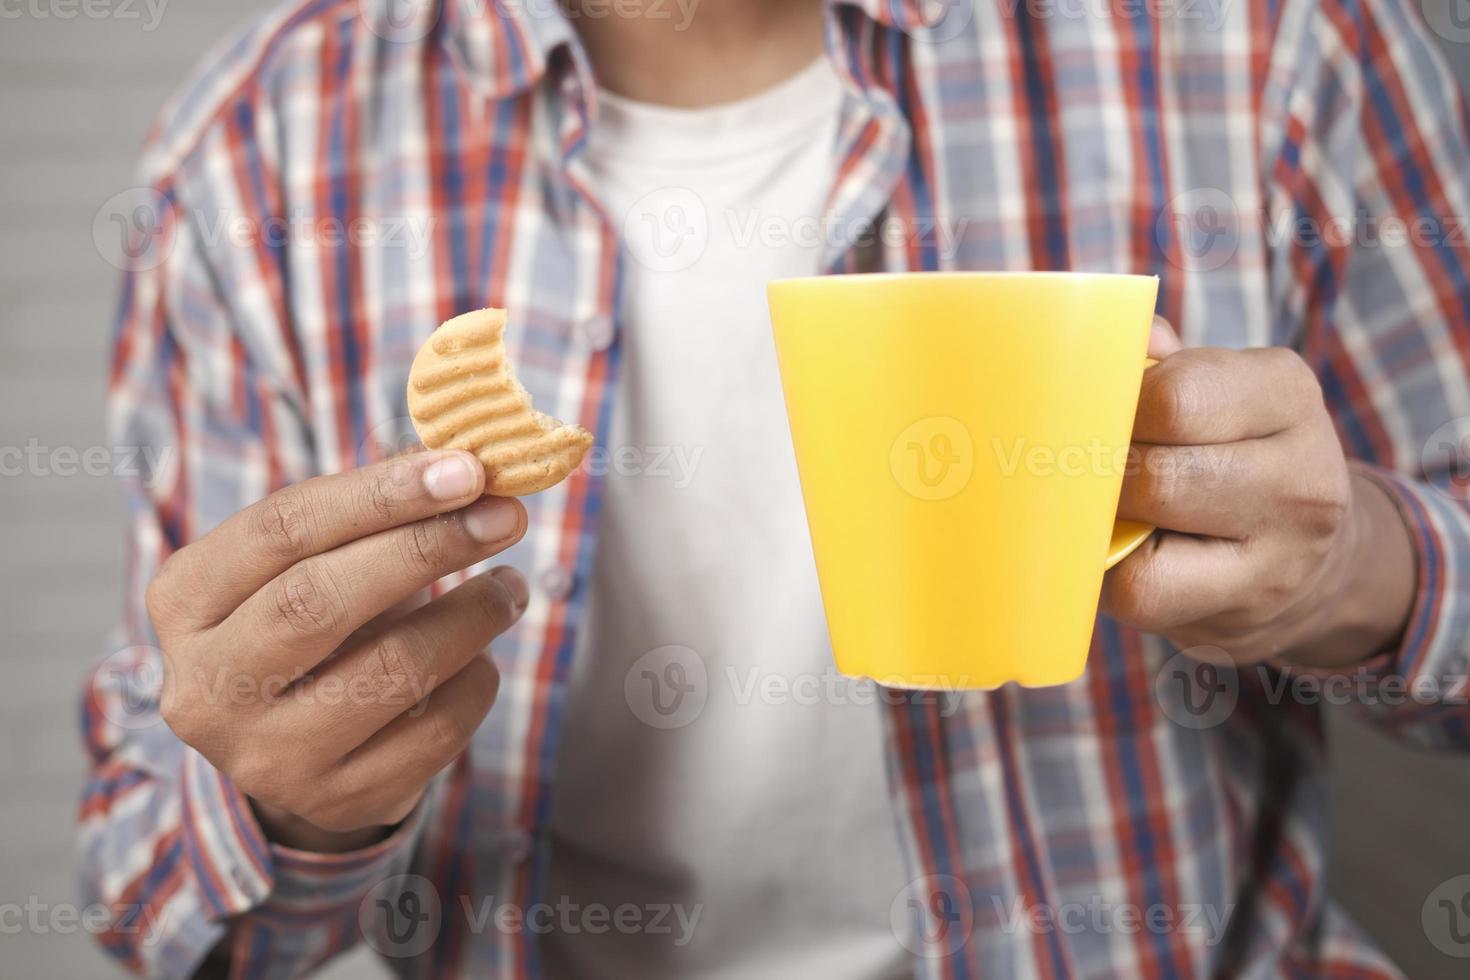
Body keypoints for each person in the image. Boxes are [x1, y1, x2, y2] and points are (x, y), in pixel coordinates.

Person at [77, 0, 1470, 976]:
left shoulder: (1275, 40)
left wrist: (1358, 570)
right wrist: (297, 809)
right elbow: (158, 908)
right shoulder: (261, 148)